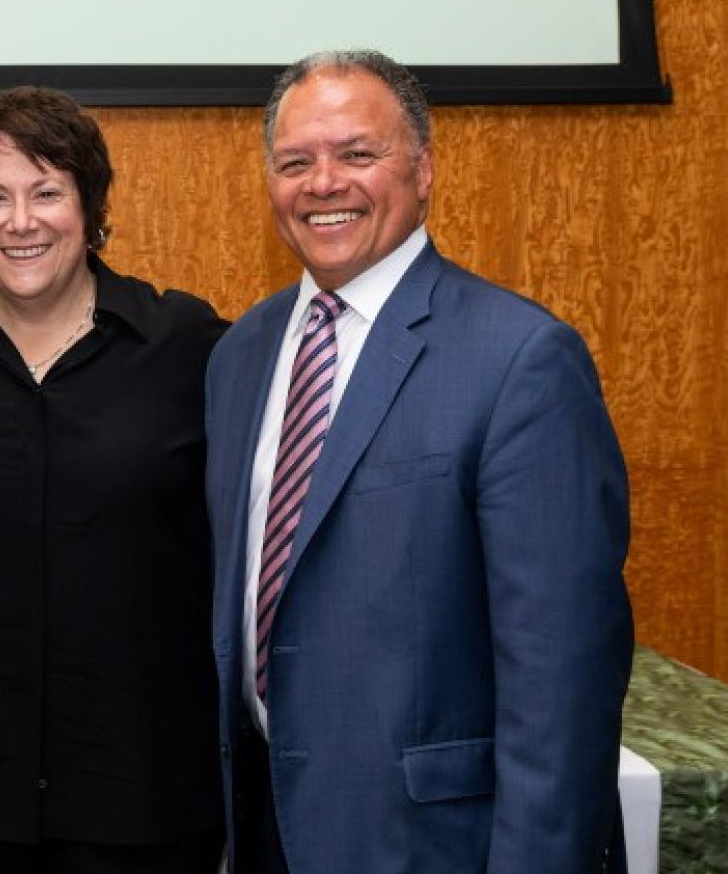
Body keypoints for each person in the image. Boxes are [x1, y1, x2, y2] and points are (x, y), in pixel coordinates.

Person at [206, 50, 634, 873]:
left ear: (424, 169)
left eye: (356, 153)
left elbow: (562, 682)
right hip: (268, 833)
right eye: (295, 163)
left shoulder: (520, 360)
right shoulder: (241, 355)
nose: (323, 183)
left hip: (435, 847)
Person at [0, 86, 229, 873]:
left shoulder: (188, 347)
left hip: (149, 792)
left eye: (47, 192)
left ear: (91, 206)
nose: (20, 221)